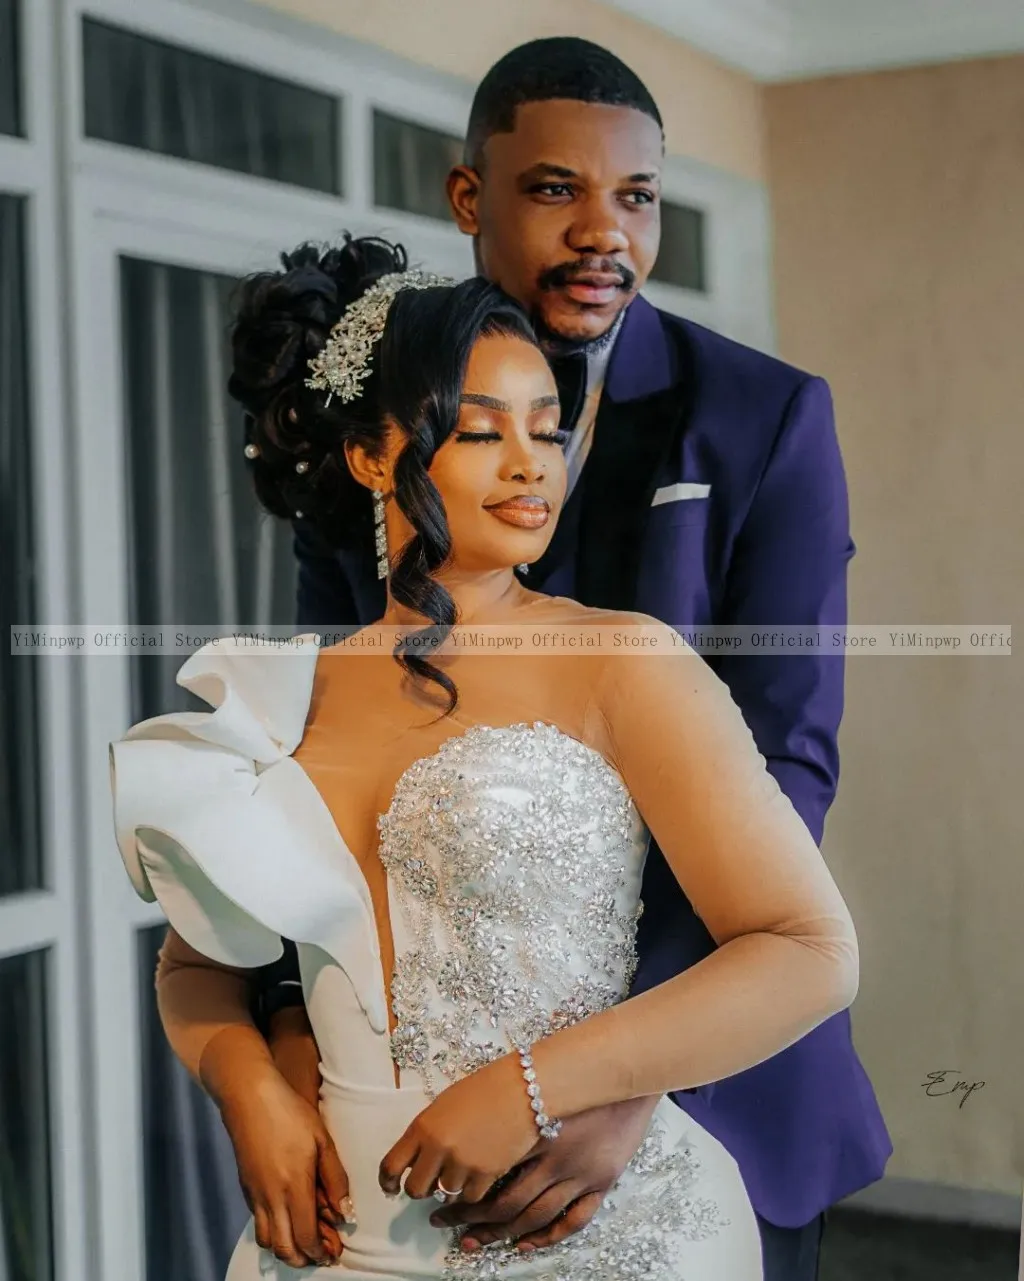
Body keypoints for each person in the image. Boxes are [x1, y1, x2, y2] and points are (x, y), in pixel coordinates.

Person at [167, 36, 891, 1281]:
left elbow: (789, 758)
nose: (604, 231)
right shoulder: (381, 431)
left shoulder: (762, 418)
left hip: (697, 1068)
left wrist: (618, 1074)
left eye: (638, 196)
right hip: (388, 1144)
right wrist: (278, 1068)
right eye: (557, 189)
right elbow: (318, 789)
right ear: (471, 199)